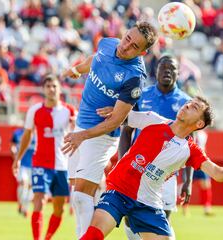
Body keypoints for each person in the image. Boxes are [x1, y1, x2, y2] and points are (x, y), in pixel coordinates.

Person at [80, 97, 223, 240]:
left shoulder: (191, 150)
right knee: (94, 234)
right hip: (118, 191)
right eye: (188, 103)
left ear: (199, 123)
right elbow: (122, 117)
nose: (187, 105)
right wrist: (114, 110)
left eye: (194, 107)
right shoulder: (153, 120)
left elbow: (215, 171)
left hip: (148, 204)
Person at [62, 21, 158, 238]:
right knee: (80, 193)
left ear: (142, 52)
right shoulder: (107, 44)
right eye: (127, 39)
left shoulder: (134, 77)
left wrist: (82, 136)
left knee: (80, 195)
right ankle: (102, 218)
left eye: (134, 46)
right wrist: (76, 70)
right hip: (81, 125)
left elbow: (116, 121)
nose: (125, 47)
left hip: (101, 135)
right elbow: (94, 61)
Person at [118, 55, 191, 240]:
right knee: (129, 217)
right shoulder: (142, 95)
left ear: (178, 73)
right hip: (138, 166)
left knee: (161, 220)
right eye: (163, 67)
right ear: (156, 71)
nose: (167, 71)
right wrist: (122, 162)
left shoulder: (186, 102)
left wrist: (188, 181)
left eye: (172, 68)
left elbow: (191, 143)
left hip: (167, 172)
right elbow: (127, 131)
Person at [12, 74, 76, 240]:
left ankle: (47, 237)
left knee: (59, 208)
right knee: (39, 199)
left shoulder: (69, 111)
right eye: (48, 86)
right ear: (43, 89)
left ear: (59, 89)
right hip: (41, 163)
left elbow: (78, 136)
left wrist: (75, 125)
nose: (51, 89)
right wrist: (18, 159)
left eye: (54, 86)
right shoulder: (35, 110)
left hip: (62, 166)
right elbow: (27, 136)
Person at [182, 131, 214, 216]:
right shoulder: (188, 131)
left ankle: (207, 207)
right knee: (187, 184)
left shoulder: (204, 134)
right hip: (189, 161)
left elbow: (203, 148)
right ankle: (185, 207)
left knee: (206, 184)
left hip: (200, 161)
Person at [11, 126, 36, 217]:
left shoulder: (38, 133)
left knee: (30, 187)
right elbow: (12, 144)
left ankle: (25, 208)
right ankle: (20, 203)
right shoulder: (17, 133)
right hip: (22, 164)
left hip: (34, 165)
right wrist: (14, 156)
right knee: (23, 183)